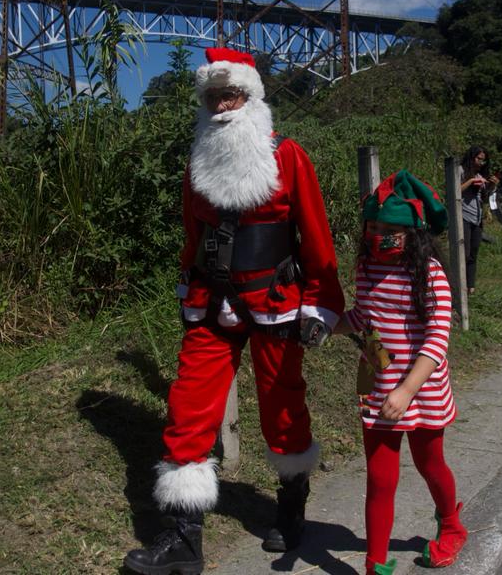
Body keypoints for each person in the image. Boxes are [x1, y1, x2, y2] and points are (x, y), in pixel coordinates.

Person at [124, 48, 345, 575]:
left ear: (251, 97)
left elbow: (316, 237)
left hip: (275, 302)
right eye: (213, 96)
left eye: (232, 94)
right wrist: (186, 286)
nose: (222, 103)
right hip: (211, 301)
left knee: (282, 404)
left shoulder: (287, 155)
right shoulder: (197, 157)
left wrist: (321, 303)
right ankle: (182, 539)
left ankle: (291, 508)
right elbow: (191, 233)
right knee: (188, 405)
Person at [334, 170, 467, 574]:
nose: (378, 234)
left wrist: (407, 390)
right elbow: (362, 316)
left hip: (420, 389)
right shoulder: (366, 267)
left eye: (390, 229)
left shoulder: (430, 274)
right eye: (373, 226)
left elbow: (436, 340)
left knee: (430, 465)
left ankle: (451, 525)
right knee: (379, 478)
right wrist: (327, 324)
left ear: (413, 233)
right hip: (378, 384)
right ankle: (375, 564)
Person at [459, 146, 498, 294]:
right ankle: (460, 285)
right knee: (465, 251)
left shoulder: (481, 174)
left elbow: (485, 196)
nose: (481, 162)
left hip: (477, 217)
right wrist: (470, 182)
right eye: (478, 158)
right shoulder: (460, 170)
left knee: (474, 253)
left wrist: (491, 185)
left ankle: (471, 287)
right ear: (471, 157)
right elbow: (453, 190)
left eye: (483, 160)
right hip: (463, 215)